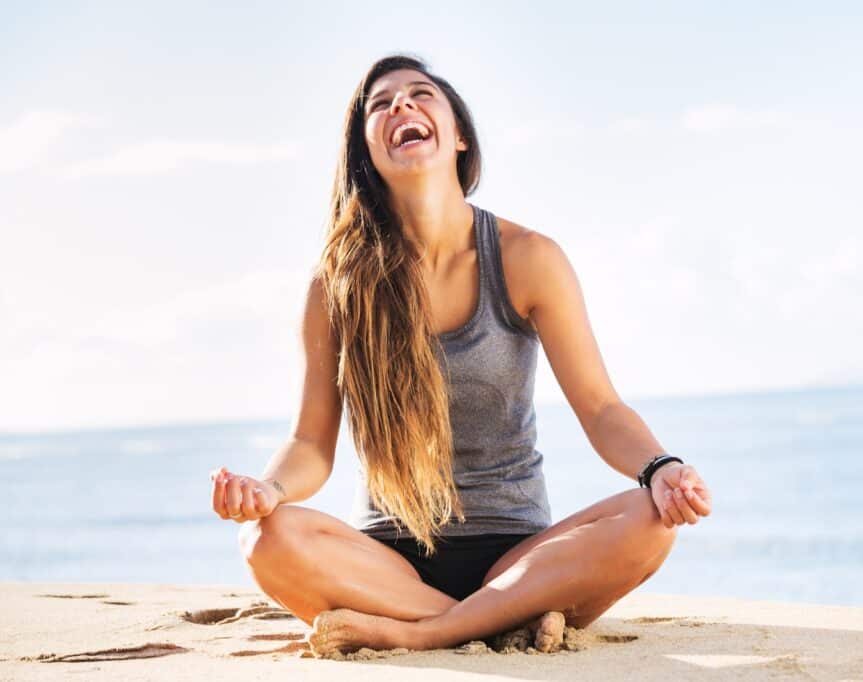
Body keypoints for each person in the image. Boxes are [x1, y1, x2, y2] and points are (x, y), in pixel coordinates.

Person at [208, 52, 713, 655]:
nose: (400, 105)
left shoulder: (528, 258)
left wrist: (661, 471)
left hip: (519, 555)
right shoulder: (336, 284)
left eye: (420, 94)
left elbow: (601, 408)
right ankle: (496, 622)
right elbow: (312, 442)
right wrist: (268, 491)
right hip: (387, 564)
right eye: (380, 104)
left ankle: (420, 634)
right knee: (266, 540)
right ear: (366, 150)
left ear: (461, 139)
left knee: (651, 522)